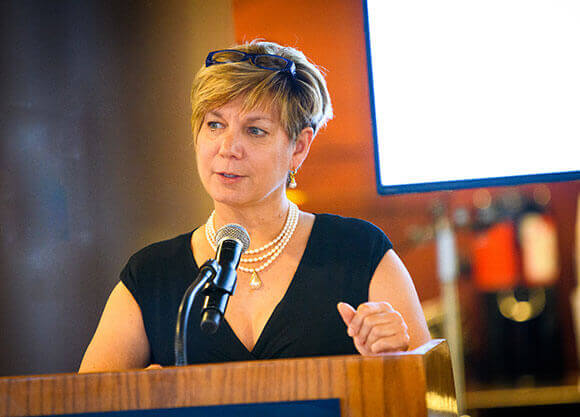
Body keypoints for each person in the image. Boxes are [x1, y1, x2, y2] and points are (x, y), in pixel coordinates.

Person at [79, 40, 430, 373]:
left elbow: (432, 398)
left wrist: (396, 362)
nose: (228, 147)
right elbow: (88, 404)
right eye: (215, 125)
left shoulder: (360, 253)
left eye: (255, 130)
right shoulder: (151, 275)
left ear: (299, 147)